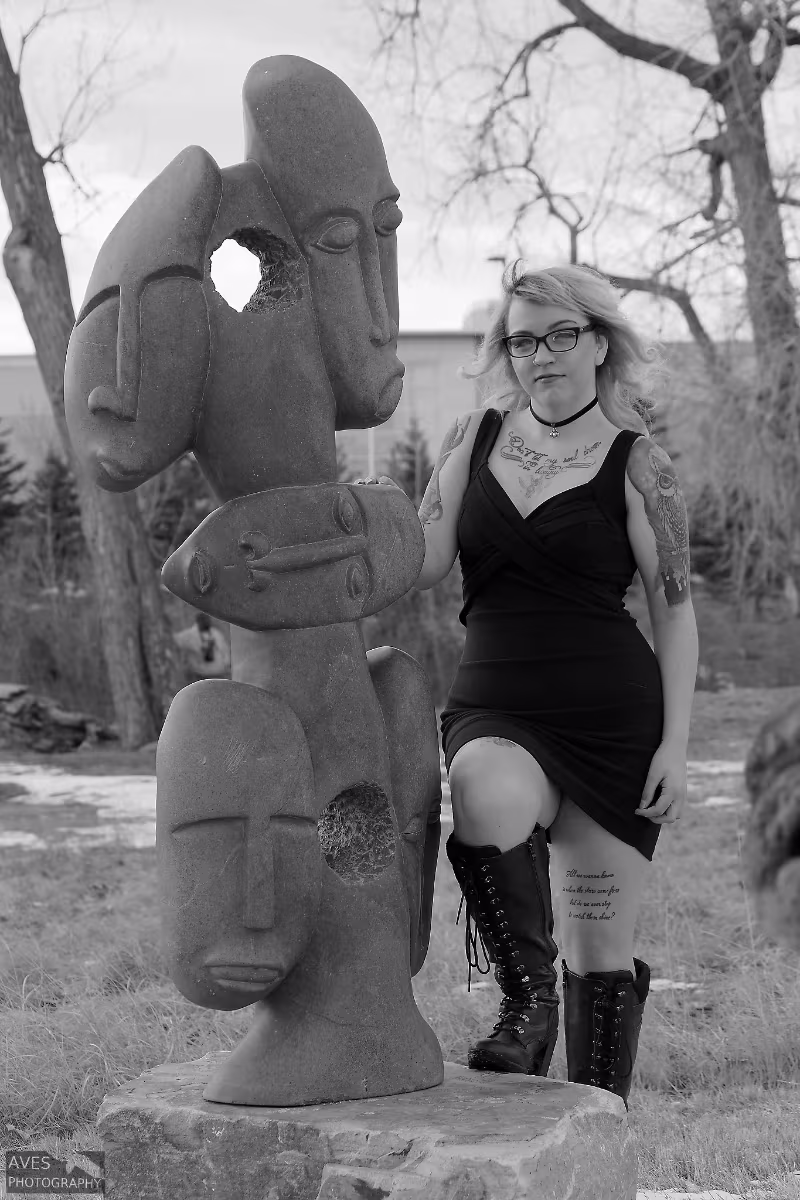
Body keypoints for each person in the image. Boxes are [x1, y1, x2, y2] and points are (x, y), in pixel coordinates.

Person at [407, 261, 698, 1110]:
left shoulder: (640, 465)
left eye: (561, 335)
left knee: (600, 955)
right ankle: (525, 1006)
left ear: (600, 344)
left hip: (614, 729)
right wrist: (363, 521)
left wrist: (676, 745)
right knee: (481, 788)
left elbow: (675, 613)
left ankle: (596, 1140)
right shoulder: (474, 439)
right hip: (497, 709)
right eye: (522, 341)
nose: (541, 356)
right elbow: (422, 561)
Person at [174, 612, 231, 683]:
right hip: (200, 674)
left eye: (208, 620)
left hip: (218, 672)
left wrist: (226, 663)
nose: (207, 622)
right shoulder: (189, 635)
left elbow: (224, 649)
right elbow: (175, 641)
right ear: (199, 622)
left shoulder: (215, 633)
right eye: (205, 621)